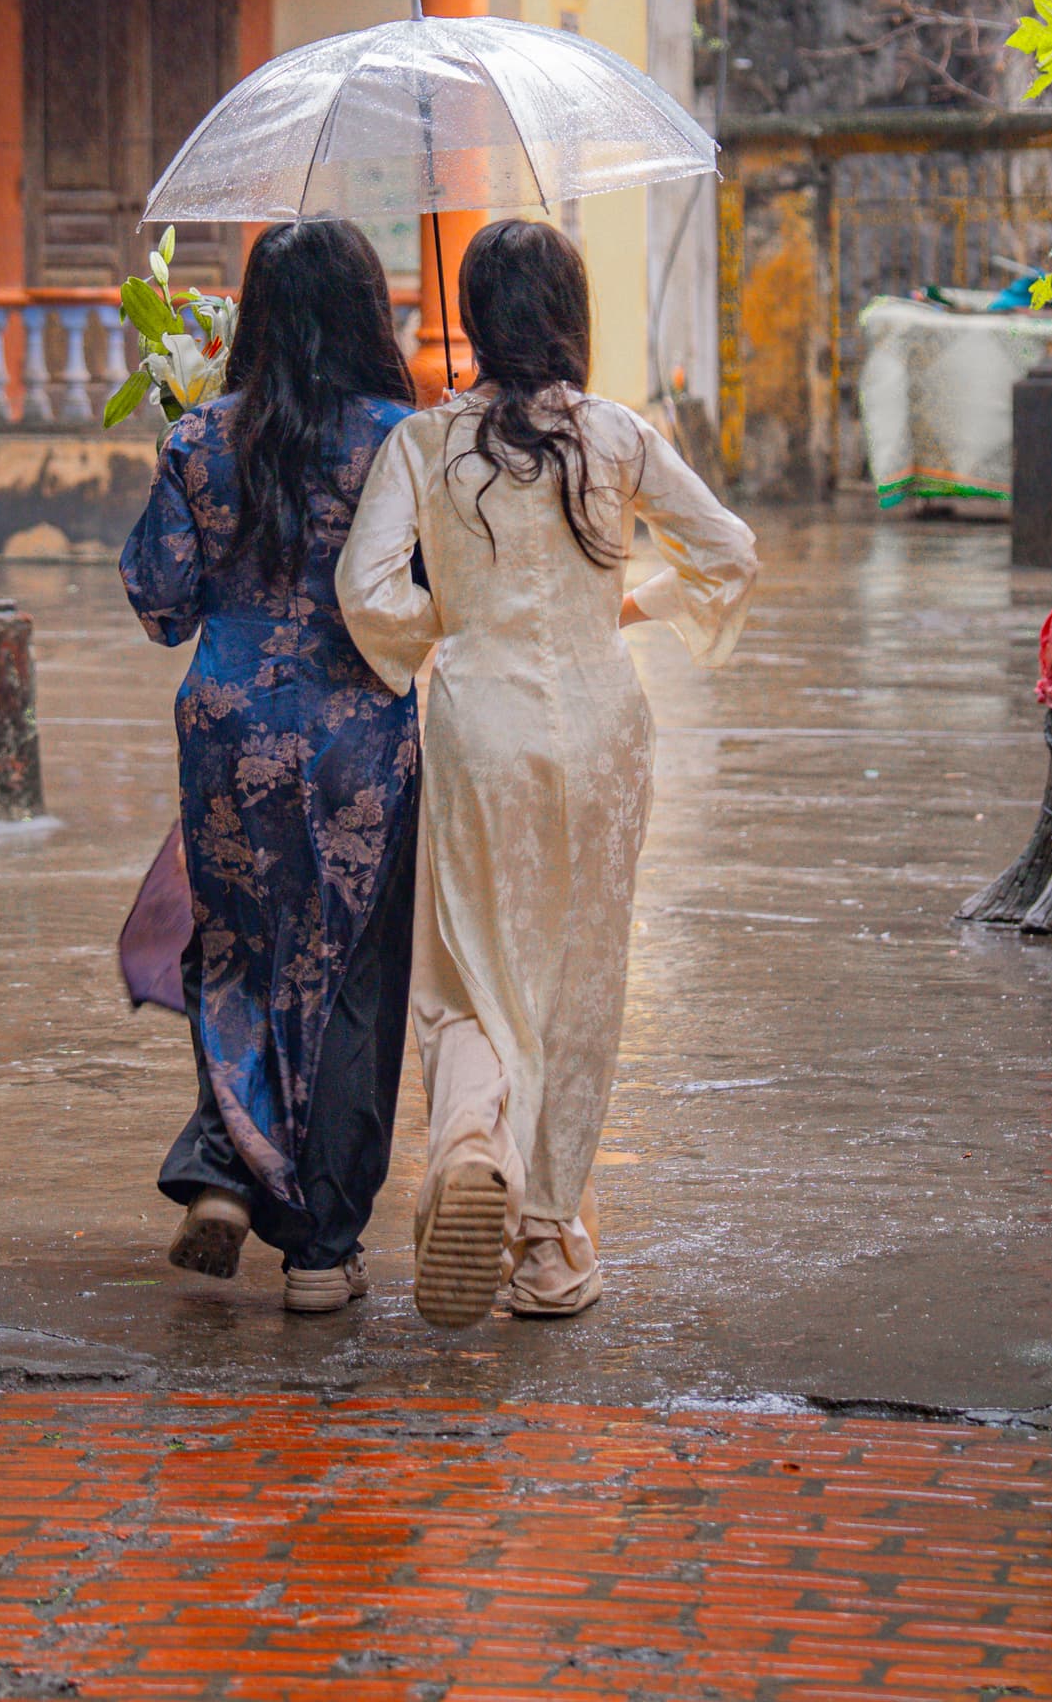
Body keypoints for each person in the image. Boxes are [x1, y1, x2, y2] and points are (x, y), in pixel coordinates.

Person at [337, 218, 759, 1325]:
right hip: (606, 723)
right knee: (580, 968)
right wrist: (627, 600)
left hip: (482, 719)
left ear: (474, 319)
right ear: (572, 315)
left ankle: (475, 1142)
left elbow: (365, 590)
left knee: (472, 960)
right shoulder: (617, 436)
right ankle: (551, 1241)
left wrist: (457, 615)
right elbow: (728, 551)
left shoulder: (425, 445)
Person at [119, 217, 425, 1313]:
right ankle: (321, 1248)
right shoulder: (404, 440)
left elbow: (160, 604)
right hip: (361, 742)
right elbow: (431, 597)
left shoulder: (202, 437)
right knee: (345, 977)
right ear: (363, 311)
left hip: (227, 727)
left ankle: (224, 1169)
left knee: (240, 954)